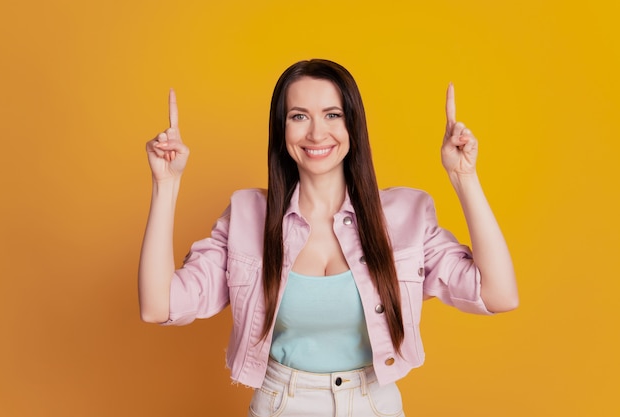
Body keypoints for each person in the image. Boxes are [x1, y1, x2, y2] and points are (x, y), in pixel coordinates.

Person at [138, 59, 518, 417]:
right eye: (299, 116)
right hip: (280, 404)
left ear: (352, 125)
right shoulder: (247, 216)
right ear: (281, 129)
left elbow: (497, 295)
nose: (317, 133)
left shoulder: (407, 216)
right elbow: (159, 306)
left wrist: (464, 177)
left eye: (332, 115)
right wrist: (166, 185)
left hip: (374, 404)